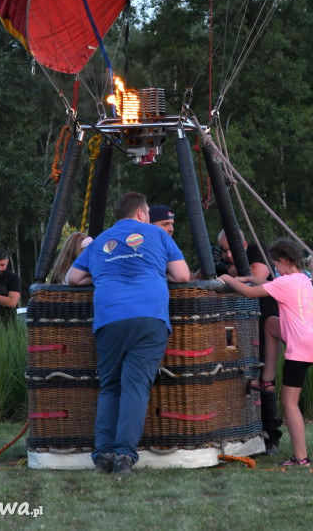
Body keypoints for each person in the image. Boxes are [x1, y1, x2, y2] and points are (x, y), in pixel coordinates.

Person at [67, 191, 190, 475]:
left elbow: (72, 278)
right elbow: (183, 275)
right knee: (135, 386)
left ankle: (103, 456)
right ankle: (124, 457)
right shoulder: (157, 236)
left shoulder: (100, 241)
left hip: (109, 318)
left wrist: (101, 276)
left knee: (110, 386)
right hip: (149, 317)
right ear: (141, 214)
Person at [220, 239, 313, 467]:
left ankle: (301, 458)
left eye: (276, 265)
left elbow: (249, 294)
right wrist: (248, 277)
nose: (275, 269)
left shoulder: (286, 282)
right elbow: (267, 284)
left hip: (301, 346)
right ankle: (267, 379)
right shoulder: (302, 278)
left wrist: (227, 279)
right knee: (270, 324)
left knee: (289, 402)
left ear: (284, 261)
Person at [212, 228, 283, 455]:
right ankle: (245, 432)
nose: (227, 255)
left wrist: (223, 269)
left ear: (242, 244)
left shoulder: (255, 249)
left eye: (229, 249)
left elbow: (256, 274)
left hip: (264, 324)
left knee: (264, 378)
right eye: (223, 251)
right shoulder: (230, 258)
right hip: (239, 328)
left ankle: (272, 437)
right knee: (241, 380)